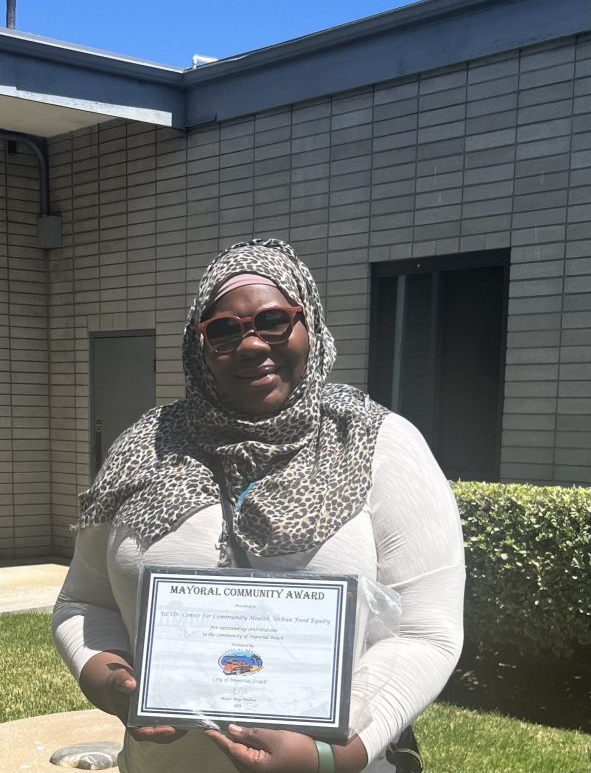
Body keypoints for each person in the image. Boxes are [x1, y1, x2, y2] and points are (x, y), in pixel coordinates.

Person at [52, 238, 465, 773]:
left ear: (308, 324)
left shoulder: (377, 442)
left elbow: (426, 632)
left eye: (273, 320)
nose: (250, 345)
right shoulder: (143, 448)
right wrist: (109, 680)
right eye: (223, 329)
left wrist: (331, 757)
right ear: (198, 347)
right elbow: (84, 604)